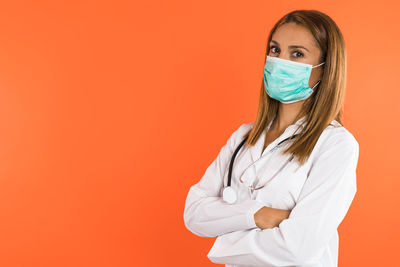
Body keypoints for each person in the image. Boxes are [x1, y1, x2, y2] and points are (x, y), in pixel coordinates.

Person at [183, 9, 359, 267]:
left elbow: (297, 247)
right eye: (275, 50)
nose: (279, 61)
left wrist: (222, 244)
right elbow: (194, 213)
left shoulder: (336, 145)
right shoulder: (244, 136)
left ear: (324, 69)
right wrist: (258, 216)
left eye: (297, 54)